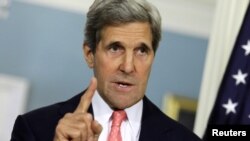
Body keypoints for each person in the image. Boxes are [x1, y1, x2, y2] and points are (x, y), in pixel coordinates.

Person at [11, 0, 202, 141]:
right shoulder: (34, 128)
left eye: (141, 51)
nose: (128, 67)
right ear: (90, 54)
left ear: (153, 56)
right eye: (115, 48)